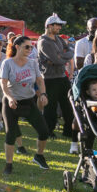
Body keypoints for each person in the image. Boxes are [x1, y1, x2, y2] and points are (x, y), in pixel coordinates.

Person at [0, 35, 51, 174]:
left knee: (44, 131)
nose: (29, 49)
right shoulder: (8, 63)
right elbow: (3, 84)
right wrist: (9, 97)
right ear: (17, 47)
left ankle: (39, 156)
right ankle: (8, 164)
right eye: (26, 46)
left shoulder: (33, 63)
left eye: (31, 47)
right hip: (12, 102)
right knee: (10, 133)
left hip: (28, 101)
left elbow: (40, 81)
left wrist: (43, 94)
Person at [37, 14, 77, 152]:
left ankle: (68, 130)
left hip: (61, 76)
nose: (59, 27)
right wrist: (61, 57)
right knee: (50, 107)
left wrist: (62, 56)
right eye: (57, 25)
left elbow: (70, 52)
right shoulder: (43, 42)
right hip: (49, 78)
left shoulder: (59, 39)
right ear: (49, 26)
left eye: (60, 25)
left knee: (68, 104)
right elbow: (56, 59)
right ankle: (48, 131)